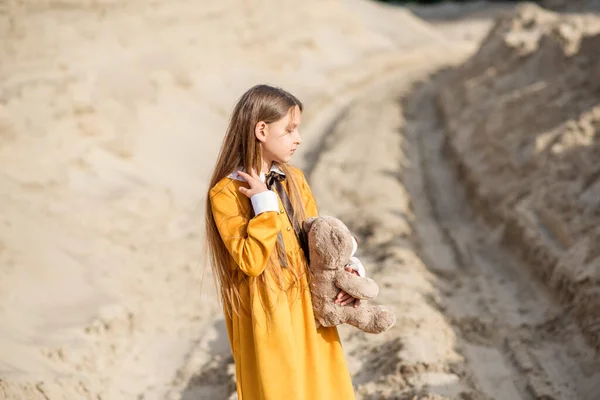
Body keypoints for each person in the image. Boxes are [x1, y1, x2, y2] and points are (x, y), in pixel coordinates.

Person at [205, 84, 362, 399]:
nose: (298, 138)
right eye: (289, 130)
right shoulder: (225, 193)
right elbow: (250, 261)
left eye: (298, 129)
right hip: (267, 317)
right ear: (261, 130)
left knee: (325, 390)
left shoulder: (295, 180)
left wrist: (347, 269)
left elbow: (317, 242)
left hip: (308, 310)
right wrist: (264, 206)